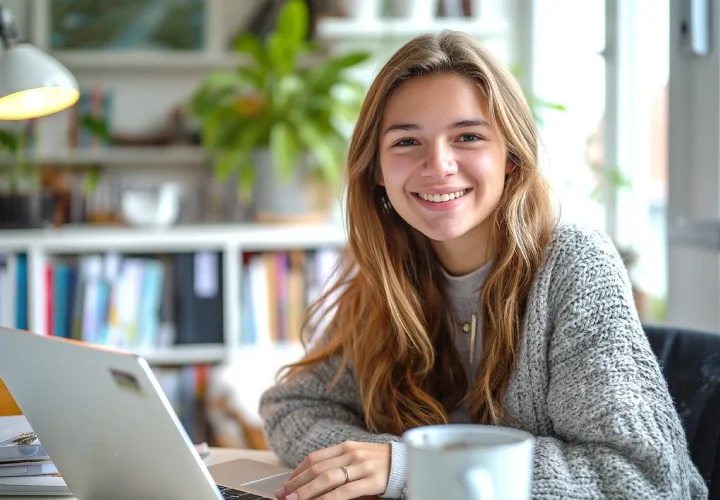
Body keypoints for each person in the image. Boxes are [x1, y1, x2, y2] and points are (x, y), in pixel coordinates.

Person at [259, 30, 707, 500]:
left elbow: (640, 478)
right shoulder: (390, 270)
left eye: (468, 136)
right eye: (407, 141)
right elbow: (293, 405)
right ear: (376, 169)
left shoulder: (576, 264)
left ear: (510, 155)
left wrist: (415, 467)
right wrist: (377, 461)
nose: (439, 165)